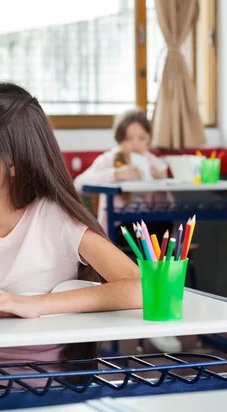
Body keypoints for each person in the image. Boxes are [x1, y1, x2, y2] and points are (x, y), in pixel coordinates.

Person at [0, 83, 142, 377]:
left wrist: (31, 303)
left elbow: (141, 288)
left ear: (12, 161)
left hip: (47, 385)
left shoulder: (55, 220)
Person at [74, 108, 180, 353]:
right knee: (150, 234)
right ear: (120, 139)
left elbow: (171, 207)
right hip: (121, 231)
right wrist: (117, 174)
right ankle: (154, 313)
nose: (135, 145)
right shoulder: (111, 159)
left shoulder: (154, 162)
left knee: (163, 231)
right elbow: (79, 184)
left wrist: (159, 181)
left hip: (154, 232)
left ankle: (160, 313)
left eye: (141, 139)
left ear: (149, 140)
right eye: (129, 139)